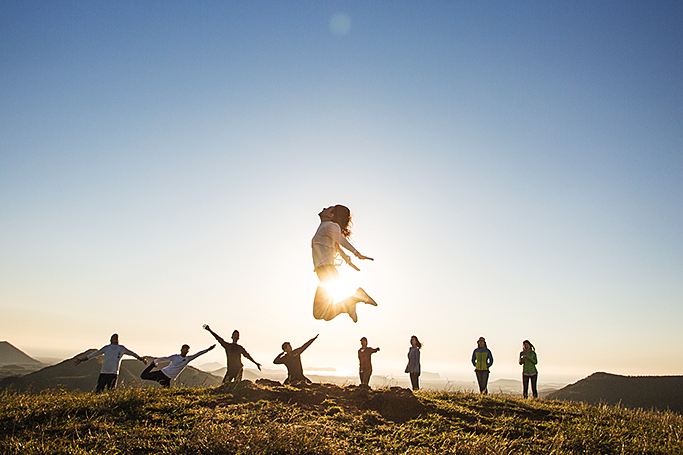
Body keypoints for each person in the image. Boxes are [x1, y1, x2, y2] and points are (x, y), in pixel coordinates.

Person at [311, 205, 376, 323]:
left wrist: (357, 254)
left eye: (329, 209)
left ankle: (356, 298)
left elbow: (342, 241)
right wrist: (347, 260)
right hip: (326, 273)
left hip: (327, 273)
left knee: (320, 314)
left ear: (331, 216)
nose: (325, 208)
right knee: (323, 314)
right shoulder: (325, 227)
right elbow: (338, 246)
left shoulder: (330, 226)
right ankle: (351, 303)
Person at [74, 333, 146, 393]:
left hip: (109, 373)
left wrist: (81, 360)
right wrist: (141, 359)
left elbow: (94, 354)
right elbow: (133, 354)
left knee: (103, 391)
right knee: (108, 391)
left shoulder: (113, 348)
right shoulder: (116, 348)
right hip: (109, 373)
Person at [140, 344, 215, 388]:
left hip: (168, 379)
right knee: (143, 376)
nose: (185, 351)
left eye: (187, 350)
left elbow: (198, 354)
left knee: (167, 393)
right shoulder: (175, 357)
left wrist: (208, 349)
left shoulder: (187, 359)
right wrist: (155, 361)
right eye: (184, 349)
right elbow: (165, 358)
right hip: (162, 373)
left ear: (188, 351)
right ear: (181, 350)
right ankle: (152, 366)